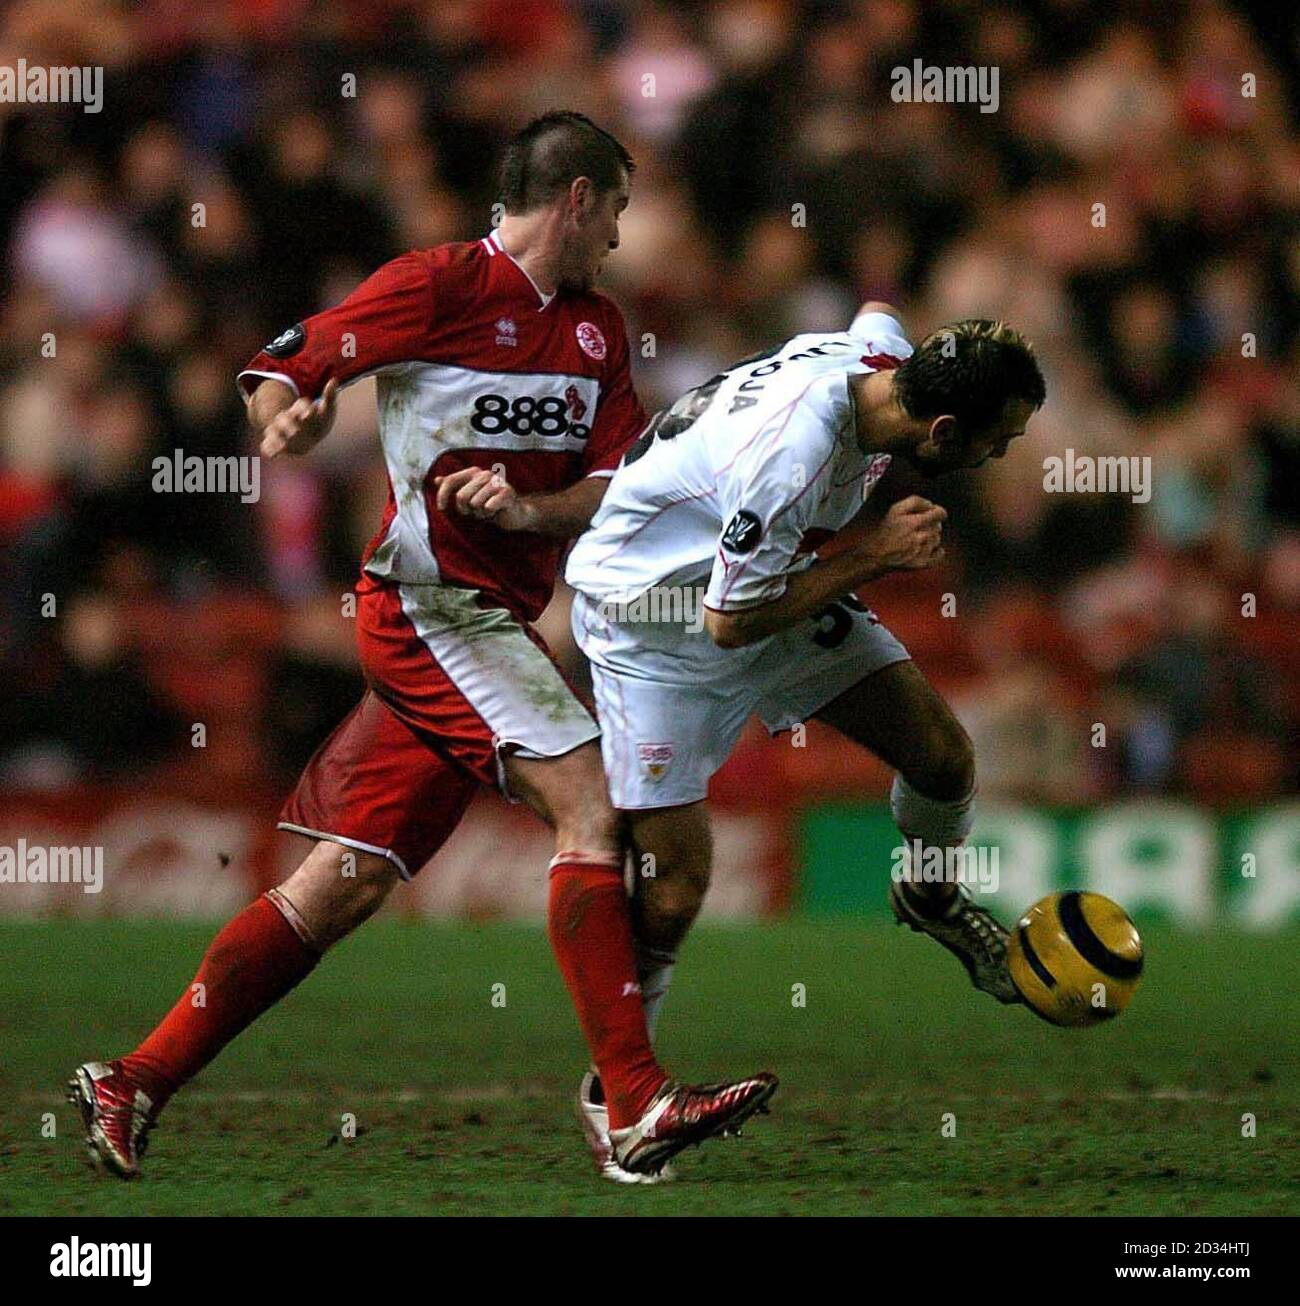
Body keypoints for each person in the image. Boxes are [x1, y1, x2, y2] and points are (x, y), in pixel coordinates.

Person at [69, 111, 774, 1184]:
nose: (622, 237)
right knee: (588, 805)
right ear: (576, 198)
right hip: (429, 608)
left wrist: (538, 514)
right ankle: (630, 1103)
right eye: (618, 210)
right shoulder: (441, 284)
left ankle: (135, 1078)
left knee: (338, 886)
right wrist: (285, 418)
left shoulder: (595, 331)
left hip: (485, 625)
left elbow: (615, 489)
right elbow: (283, 365)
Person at [564, 306, 1046, 1170]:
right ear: (941, 429)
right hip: (656, 623)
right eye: (994, 442)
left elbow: (875, 312)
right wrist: (872, 557)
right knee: (674, 885)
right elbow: (724, 624)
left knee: (942, 757)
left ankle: (930, 896)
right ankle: (620, 1106)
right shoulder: (793, 458)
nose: (994, 459)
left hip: (766, 586)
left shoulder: (883, 360)